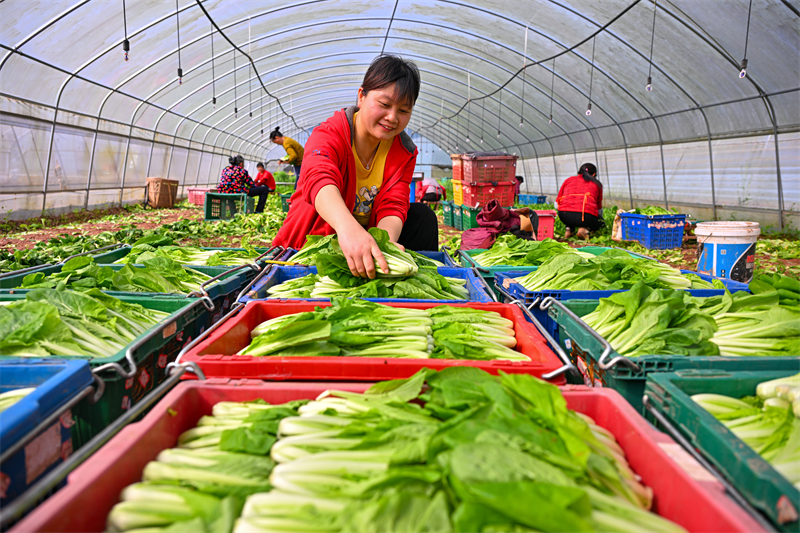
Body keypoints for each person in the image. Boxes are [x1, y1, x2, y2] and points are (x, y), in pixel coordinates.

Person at [272, 54, 439, 279]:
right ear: (361, 96)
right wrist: (348, 230)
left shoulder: (404, 151)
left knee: (422, 217)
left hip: (365, 239)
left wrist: (384, 246)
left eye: (403, 110)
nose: (392, 117)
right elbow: (319, 178)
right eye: (384, 104)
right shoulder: (330, 134)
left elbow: (394, 203)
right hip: (315, 241)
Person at [556, 162, 604, 240]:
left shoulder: (568, 180)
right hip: (586, 216)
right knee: (599, 222)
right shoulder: (597, 183)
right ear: (594, 174)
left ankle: (569, 229)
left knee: (571, 210)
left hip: (564, 215)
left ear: (579, 172)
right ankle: (584, 229)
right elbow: (599, 208)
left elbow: (557, 203)